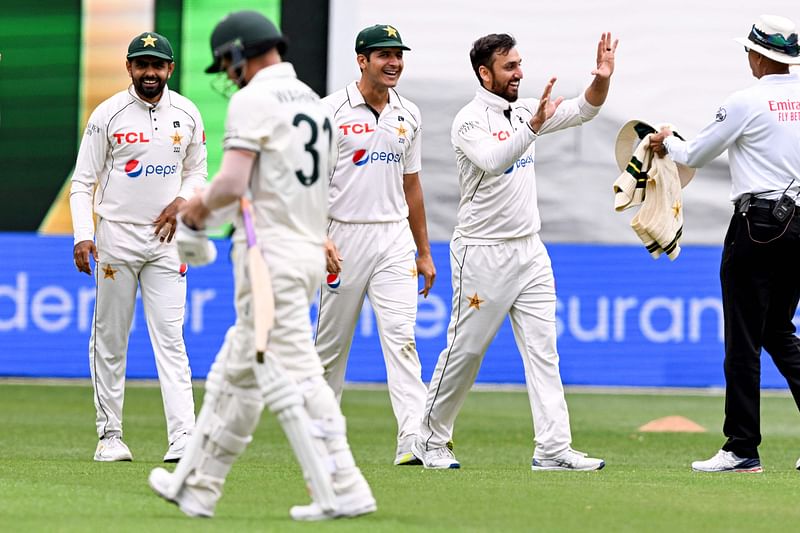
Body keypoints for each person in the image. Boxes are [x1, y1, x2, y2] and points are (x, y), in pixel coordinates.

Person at [147, 10, 376, 520]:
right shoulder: (316, 106)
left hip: (269, 258)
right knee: (235, 372)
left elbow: (231, 184)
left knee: (295, 373)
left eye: (227, 65)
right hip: (304, 250)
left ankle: (345, 486)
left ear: (236, 54)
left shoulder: (254, 100)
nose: (228, 77)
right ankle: (198, 485)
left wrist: (195, 215)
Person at [414, 32, 617, 470]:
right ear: (485, 73)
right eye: (509, 67)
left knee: (544, 351)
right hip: (482, 252)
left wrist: (601, 78)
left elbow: (586, 109)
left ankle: (553, 448)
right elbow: (494, 160)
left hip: (530, 250)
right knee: (465, 350)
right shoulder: (468, 120)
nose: (519, 73)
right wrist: (534, 126)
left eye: (520, 64)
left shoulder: (527, 109)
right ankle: (428, 438)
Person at [650, 14, 800, 474]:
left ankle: (741, 449)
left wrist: (666, 141)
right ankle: (742, 447)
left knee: (743, 340)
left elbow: (694, 154)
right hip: (798, 224)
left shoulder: (745, 101)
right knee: (779, 332)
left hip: (756, 225)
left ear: (758, 55)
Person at [70, 31, 205, 463]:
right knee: (110, 338)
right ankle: (110, 436)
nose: (150, 72)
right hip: (117, 239)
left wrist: (184, 200)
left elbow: (198, 170)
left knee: (171, 337)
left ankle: (184, 437)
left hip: (167, 242)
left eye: (158, 65)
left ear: (170, 68)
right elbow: (82, 182)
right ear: (129, 67)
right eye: (142, 64)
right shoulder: (107, 115)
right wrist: (82, 233)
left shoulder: (187, 112)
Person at [316, 24, 435, 466]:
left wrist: (423, 251)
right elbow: (309, 184)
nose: (394, 62)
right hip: (342, 235)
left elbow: (413, 187)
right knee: (329, 349)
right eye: (383, 55)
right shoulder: (330, 112)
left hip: (393, 239)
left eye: (398, 55)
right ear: (361, 60)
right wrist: (320, 235)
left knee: (403, 339)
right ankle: (322, 439)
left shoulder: (409, 114)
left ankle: (413, 440)